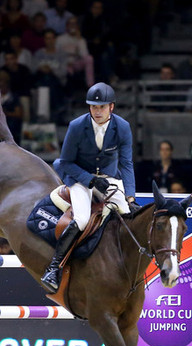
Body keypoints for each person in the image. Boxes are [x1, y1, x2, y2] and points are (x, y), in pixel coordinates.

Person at [42, 82, 137, 293]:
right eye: (93, 107)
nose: (97, 111)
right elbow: (65, 162)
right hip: (79, 178)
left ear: (111, 107)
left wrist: (130, 196)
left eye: (102, 107)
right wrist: (91, 181)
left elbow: (126, 163)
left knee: (128, 214)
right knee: (82, 219)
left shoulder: (122, 127)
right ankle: (53, 268)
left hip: (110, 178)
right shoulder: (77, 126)